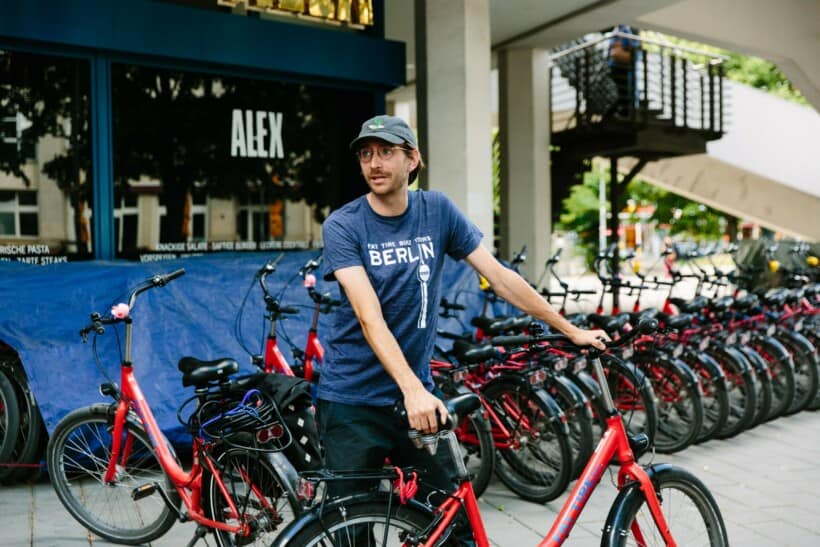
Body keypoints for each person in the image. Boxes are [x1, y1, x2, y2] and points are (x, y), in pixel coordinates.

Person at [318, 114, 609, 543]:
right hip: (352, 401)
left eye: (386, 152)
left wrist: (569, 329)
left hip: (415, 399)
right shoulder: (344, 225)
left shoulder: (437, 211)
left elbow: (500, 276)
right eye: (366, 154)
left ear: (413, 159)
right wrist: (412, 388)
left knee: (453, 522)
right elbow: (368, 315)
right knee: (351, 531)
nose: (374, 163)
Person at [607, 24, 640, 119]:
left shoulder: (619, 30)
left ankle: (619, 113)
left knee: (623, 92)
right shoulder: (623, 29)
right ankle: (620, 113)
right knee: (623, 92)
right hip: (619, 66)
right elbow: (633, 44)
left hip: (618, 65)